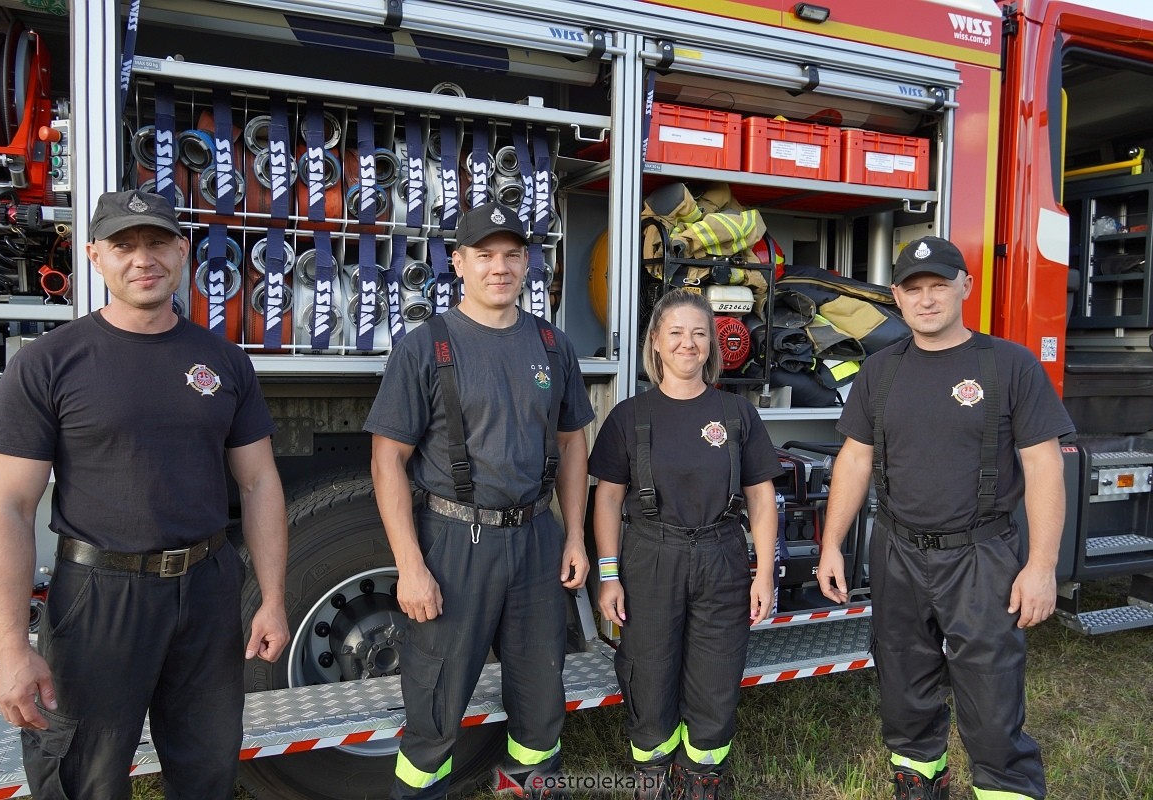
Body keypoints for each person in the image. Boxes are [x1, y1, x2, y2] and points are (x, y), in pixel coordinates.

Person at [0, 189, 290, 800]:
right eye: (123, 245)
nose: (141, 259)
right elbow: (8, 509)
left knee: (207, 769)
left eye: (156, 243)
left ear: (183, 253)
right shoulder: (48, 364)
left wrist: (273, 598)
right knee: (84, 778)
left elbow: (259, 482)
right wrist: (11, 649)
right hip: (99, 597)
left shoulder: (224, 361)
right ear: (95, 256)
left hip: (206, 589)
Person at [816, 236, 1074, 800]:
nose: (927, 300)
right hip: (897, 553)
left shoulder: (1009, 365)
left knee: (991, 698)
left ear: (965, 287)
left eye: (939, 285)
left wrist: (1042, 566)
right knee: (904, 689)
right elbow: (855, 458)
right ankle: (918, 783)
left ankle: (1005, 787)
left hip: (981, 558)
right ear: (896, 298)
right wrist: (832, 544)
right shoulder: (878, 372)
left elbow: (1044, 468)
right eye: (914, 289)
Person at [365, 200, 594, 800]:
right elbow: (388, 460)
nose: (500, 267)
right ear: (458, 263)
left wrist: (572, 535)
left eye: (512, 255)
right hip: (454, 545)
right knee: (436, 705)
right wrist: (411, 568)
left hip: (537, 542)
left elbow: (573, 445)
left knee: (541, 700)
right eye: (485, 256)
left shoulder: (552, 345)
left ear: (528, 264)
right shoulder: (425, 347)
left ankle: (530, 788)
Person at [589, 289, 782, 800]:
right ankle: (653, 777)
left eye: (699, 333)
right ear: (655, 343)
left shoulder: (738, 414)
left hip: (722, 553)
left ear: (712, 345)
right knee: (648, 671)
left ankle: (702, 777)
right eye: (675, 332)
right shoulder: (628, 417)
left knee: (716, 674)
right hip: (651, 555)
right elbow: (606, 501)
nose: (688, 343)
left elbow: (761, 499)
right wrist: (609, 574)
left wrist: (764, 572)